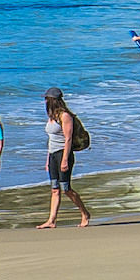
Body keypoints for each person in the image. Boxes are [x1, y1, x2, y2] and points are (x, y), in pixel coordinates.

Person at [39, 88, 90, 228]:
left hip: (63, 153)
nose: (44, 101)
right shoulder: (51, 116)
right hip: (53, 154)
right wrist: (47, 159)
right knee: (54, 189)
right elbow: (50, 140)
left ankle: (84, 213)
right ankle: (51, 220)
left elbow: (67, 139)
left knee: (66, 188)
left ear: (52, 100)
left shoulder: (65, 116)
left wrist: (65, 159)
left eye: (46, 99)